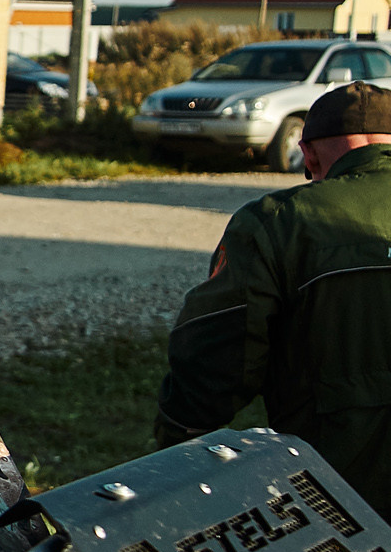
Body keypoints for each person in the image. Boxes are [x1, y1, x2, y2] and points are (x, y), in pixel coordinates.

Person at [157, 81, 391, 517]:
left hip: (342, 506)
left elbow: (214, 354)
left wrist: (177, 443)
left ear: (310, 154)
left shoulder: (279, 222)